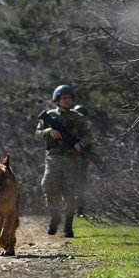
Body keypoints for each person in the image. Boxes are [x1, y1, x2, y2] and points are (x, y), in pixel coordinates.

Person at [35, 85, 91, 238]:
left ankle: (68, 226)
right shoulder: (49, 115)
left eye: (69, 98)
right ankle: (55, 215)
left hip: (72, 159)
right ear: (57, 100)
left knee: (69, 192)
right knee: (49, 186)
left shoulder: (78, 117)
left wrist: (81, 143)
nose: (67, 101)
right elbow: (37, 134)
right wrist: (49, 132)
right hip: (53, 157)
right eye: (63, 98)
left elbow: (88, 134)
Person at [72, 104, 91, 218]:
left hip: (82, 162)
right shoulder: (70, 129)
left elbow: (89, 144)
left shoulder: (85, 131)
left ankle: (79, 209)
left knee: (81, 186)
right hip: (68, 161)